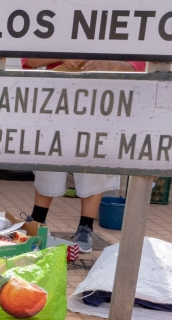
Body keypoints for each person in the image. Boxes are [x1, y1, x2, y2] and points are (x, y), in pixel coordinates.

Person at [21, 58, 146, 252]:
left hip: (103, 98)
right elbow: (29, 60)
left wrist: (110, 64)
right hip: (57, 96)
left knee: (94, 160)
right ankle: (37, 222)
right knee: (49, 157)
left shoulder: (122, 30)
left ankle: (85, 227)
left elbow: (139, 64)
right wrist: (62, 56)